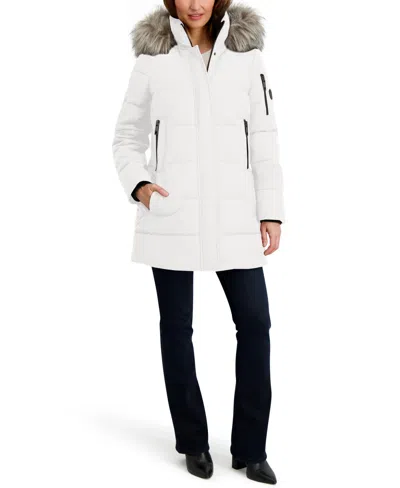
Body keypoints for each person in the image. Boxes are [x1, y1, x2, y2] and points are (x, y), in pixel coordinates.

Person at [111, 0, 285, 484]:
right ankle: (192, 441)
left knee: (255, 323)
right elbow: (126, 136)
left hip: (235, 214)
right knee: (176, 329)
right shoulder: (153, 60)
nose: (195, 4)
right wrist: (139, 185)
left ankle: (250, 448)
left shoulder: (247, 57)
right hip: (172, 212)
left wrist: (270, 210)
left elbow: (265, 137)